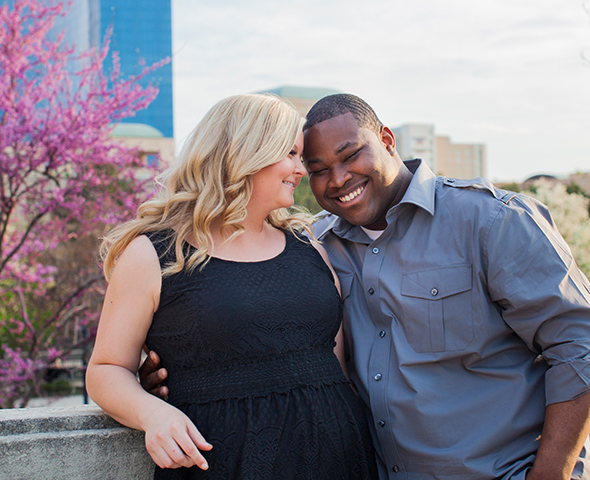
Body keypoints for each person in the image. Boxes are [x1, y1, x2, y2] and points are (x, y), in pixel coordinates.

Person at [142, 93, 590, 480]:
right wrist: (177, 373)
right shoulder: (317, 249)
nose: (339, 179)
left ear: (387, 139)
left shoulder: (490, 221)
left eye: (350, 156)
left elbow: (581, 347)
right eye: (319, 168)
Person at [86, 94, 378, 479]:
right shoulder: (155, 253)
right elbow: (106, 369)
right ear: (246, 152)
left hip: (340, 461)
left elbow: (335, 367)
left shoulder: (312, 250)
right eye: (290, 154)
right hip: (222, 464)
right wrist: (151, 412)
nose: (301, 170)